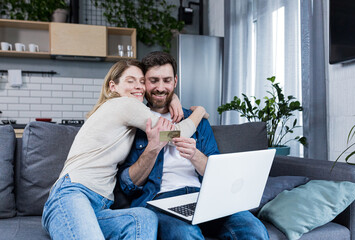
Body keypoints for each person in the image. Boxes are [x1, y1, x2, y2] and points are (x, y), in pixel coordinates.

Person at [41, 59, 208, 240]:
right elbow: (177, 134)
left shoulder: (129, 113)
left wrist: (173, 98)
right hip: (72, 194)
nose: (139, 87)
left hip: (101, 205)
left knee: (143, 218)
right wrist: (200, 111)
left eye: (142, 82)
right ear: (113, 86)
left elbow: (158, 112)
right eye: (131, 81)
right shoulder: (125, 105)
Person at [118, 52, 269, 240]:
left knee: (253, 230)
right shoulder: (134, 123)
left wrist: (195, 155)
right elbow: (127, 184)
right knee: (186, 234)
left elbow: (219, 174)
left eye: (166, 80)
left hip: (205, 197)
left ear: (175, 81)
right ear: (144, 83)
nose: (160, 87)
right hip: (159, 200)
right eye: (153, 80)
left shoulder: (197, 121)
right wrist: (152, 149)